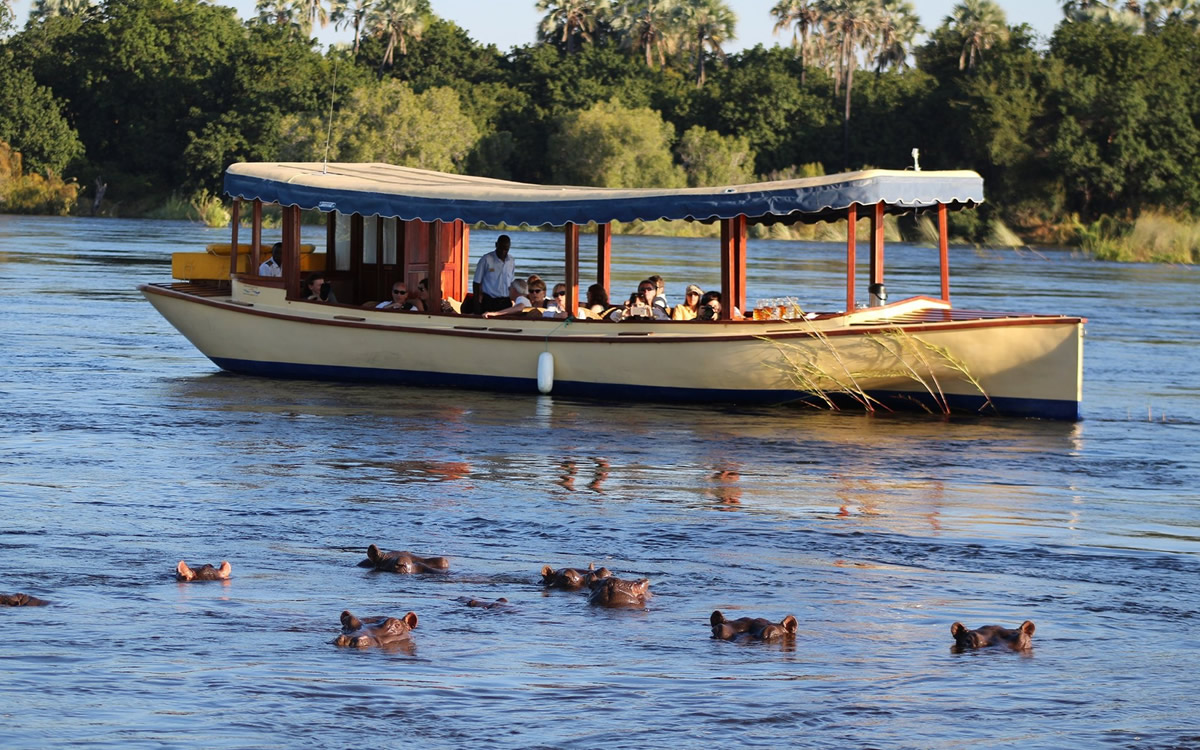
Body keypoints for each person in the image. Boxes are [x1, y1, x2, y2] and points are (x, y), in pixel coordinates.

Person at [473, 234, 515, 314]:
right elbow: (476, 283)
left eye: (506, 249)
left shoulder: (511, 261)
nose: (503, 252)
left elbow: (511, 283)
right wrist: (476, 305)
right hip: (489, 301)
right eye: (501, 248)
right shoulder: (486, 259)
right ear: (496, 245)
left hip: (506, 301)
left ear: (509, 247)